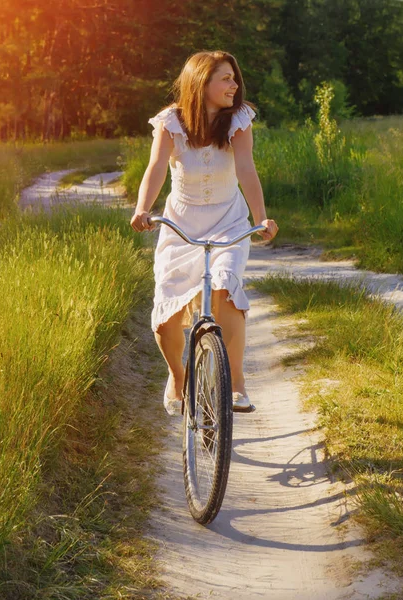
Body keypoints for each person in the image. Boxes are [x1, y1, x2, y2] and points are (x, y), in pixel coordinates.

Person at [130, 50, 279, 416]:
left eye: (234, 78)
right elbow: (156, 170)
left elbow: (246, 170)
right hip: (181, 225)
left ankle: (237, 385)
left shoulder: (239, 121)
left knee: (224, 287)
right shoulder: (171, 122)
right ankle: (179, 377)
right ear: (201, 83)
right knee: (166, 318)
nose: (234, 85)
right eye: (225, 78)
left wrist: (261, 218)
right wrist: (142, 209)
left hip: (228, 219)